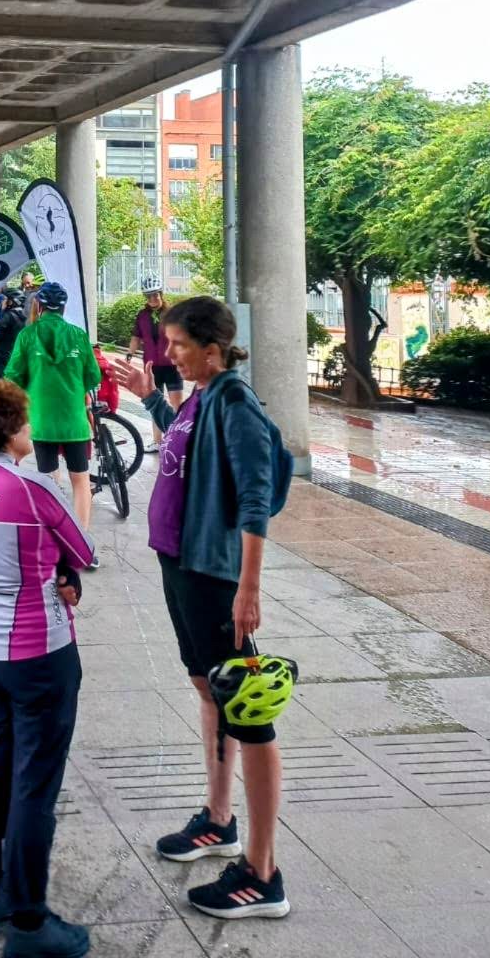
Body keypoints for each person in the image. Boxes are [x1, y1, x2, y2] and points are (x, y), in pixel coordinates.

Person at [110, 297, 289, 921]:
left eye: (178, 345)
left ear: (212, 350)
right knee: (209, 689)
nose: (168, 354)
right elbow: (186, 447)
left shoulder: (236, 402)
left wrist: (248, 587)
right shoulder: (203, 396)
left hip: (214, 574)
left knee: (248, 708)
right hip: (181, 564)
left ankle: (263, 874)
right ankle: (219, 819)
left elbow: (256, 498)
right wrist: (150, 400)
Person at [0, 379, 94, 958]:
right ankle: (30, 923)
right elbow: (84, 549)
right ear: (11, 430)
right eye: (26, 421)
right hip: (40, 653)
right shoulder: (33, 485)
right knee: (34, 786)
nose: (31, 430)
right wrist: (61, 566)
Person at [4, 282, 102, 538]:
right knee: (80, 480)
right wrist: (73, 387)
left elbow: (12, 376)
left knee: (48, 479)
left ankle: (54, 537)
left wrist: (32, 389)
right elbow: (93, 376)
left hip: (41, 419)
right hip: (74, 421)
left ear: (39, 306)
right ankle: (81, 541)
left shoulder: (27, 335)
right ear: (64, 307)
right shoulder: (78, 335)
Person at [129, 276, 183, 451]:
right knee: (155, 404)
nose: (152, 298)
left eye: (155, 294)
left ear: (161, 293)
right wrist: (130, 353)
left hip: (172, 365)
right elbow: (136, 336)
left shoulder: (172, 314)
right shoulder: (142, 315)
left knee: (176, 403)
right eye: (148, 296)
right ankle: (157, 441)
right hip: (152, 367)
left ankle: (179, 440)